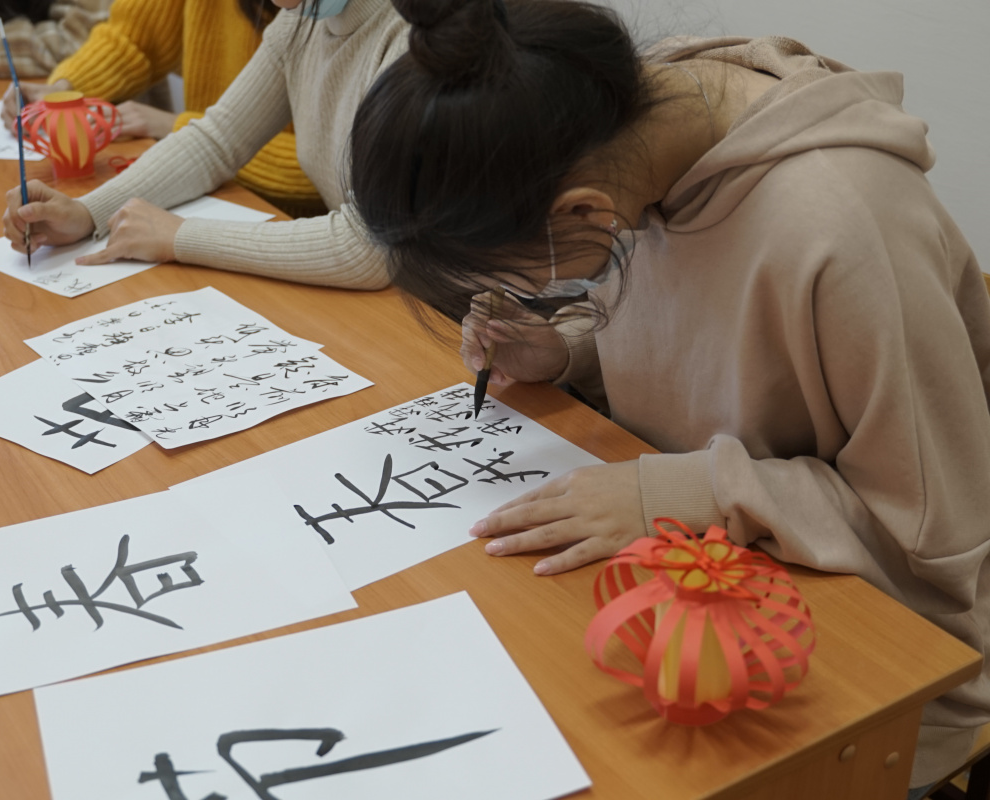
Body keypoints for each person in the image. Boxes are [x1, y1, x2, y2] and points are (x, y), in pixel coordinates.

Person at [346, 0, 990, 793]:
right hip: (695, 572)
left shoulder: (843, 226)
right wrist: (568, 349)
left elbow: (932, 536)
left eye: (514, 274)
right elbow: (718, 346)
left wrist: (684, 493)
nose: (526, 291)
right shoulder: (635, 130)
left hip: (872, 667)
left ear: (583, 211)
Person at [1, 0, 401, 290]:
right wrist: (88, 213)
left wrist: (179, 236)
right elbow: (216, 140)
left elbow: (370, 247)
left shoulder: (408, 34)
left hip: (424, 310)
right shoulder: (300, 20)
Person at [0, 0, 320, 216]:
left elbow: (336, 191)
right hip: (221, 192)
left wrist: (176, 127)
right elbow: (217, 142)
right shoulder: (291, 27)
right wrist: (87, 213)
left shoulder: (306, 22)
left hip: (295, 215)